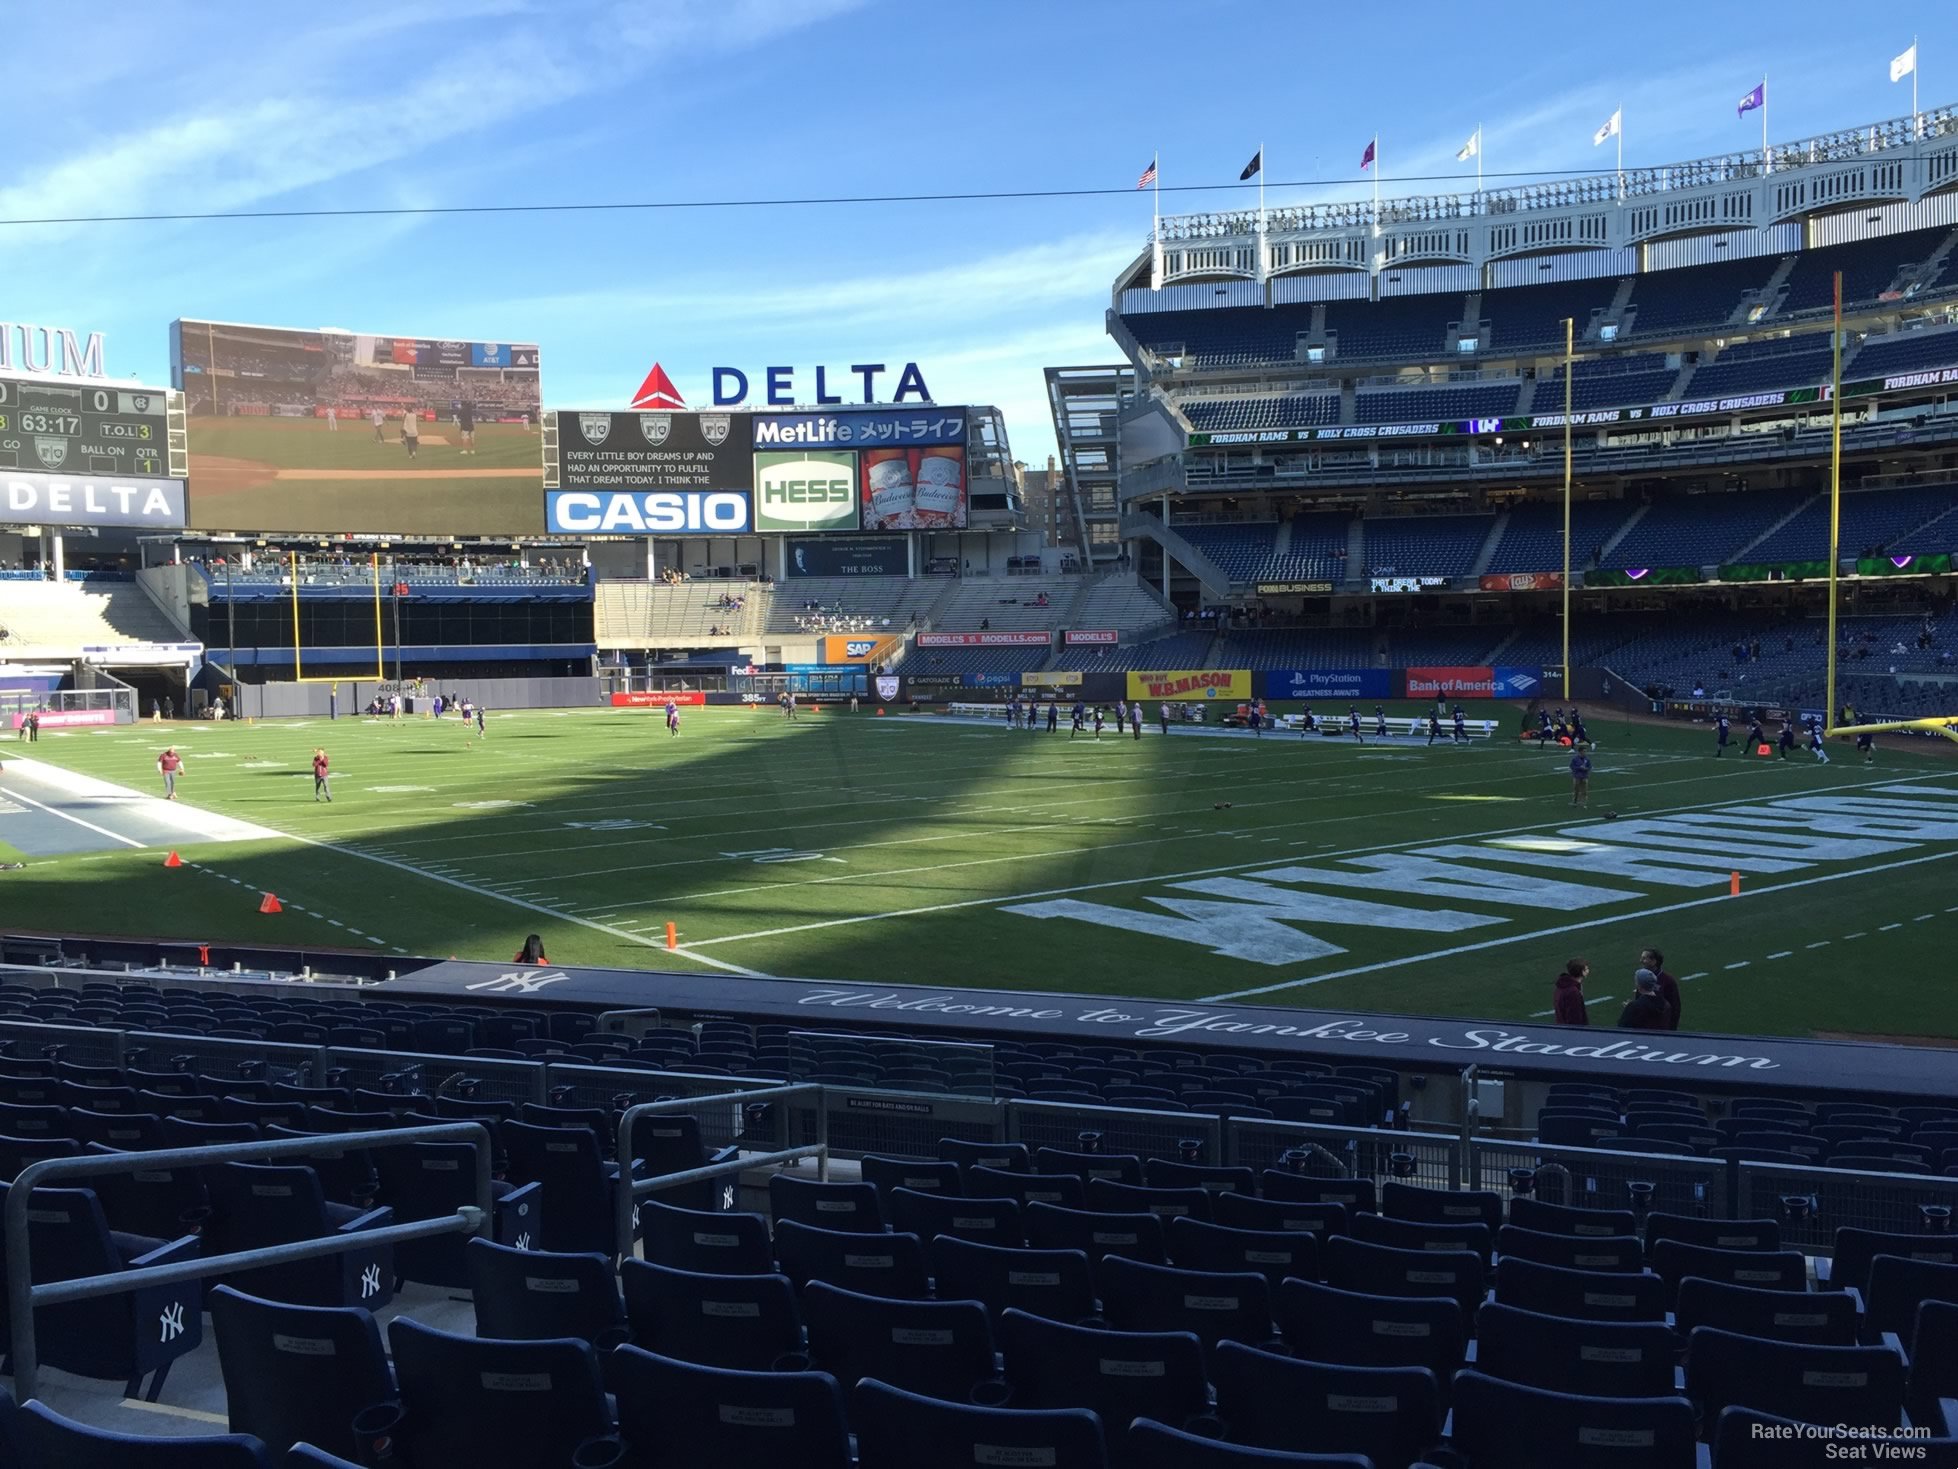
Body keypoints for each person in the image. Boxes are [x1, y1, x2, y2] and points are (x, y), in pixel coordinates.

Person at [1640, 946, 1681, 1030]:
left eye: (1644, 958)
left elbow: (1675, 1007)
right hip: (1644, 1024)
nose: (1641, 961)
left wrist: (1671, 1029)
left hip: (1661, 1027)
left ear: (1654, 961)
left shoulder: (1667, 980)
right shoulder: (1642, 977)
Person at [1553, 959, 1590, 1025]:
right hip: (1573, 1031)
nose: (1588, 971)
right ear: (1582, 972)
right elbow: (1574, 1016)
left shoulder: (1562, 985)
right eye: (1586, 969)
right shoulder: (1573, 991)